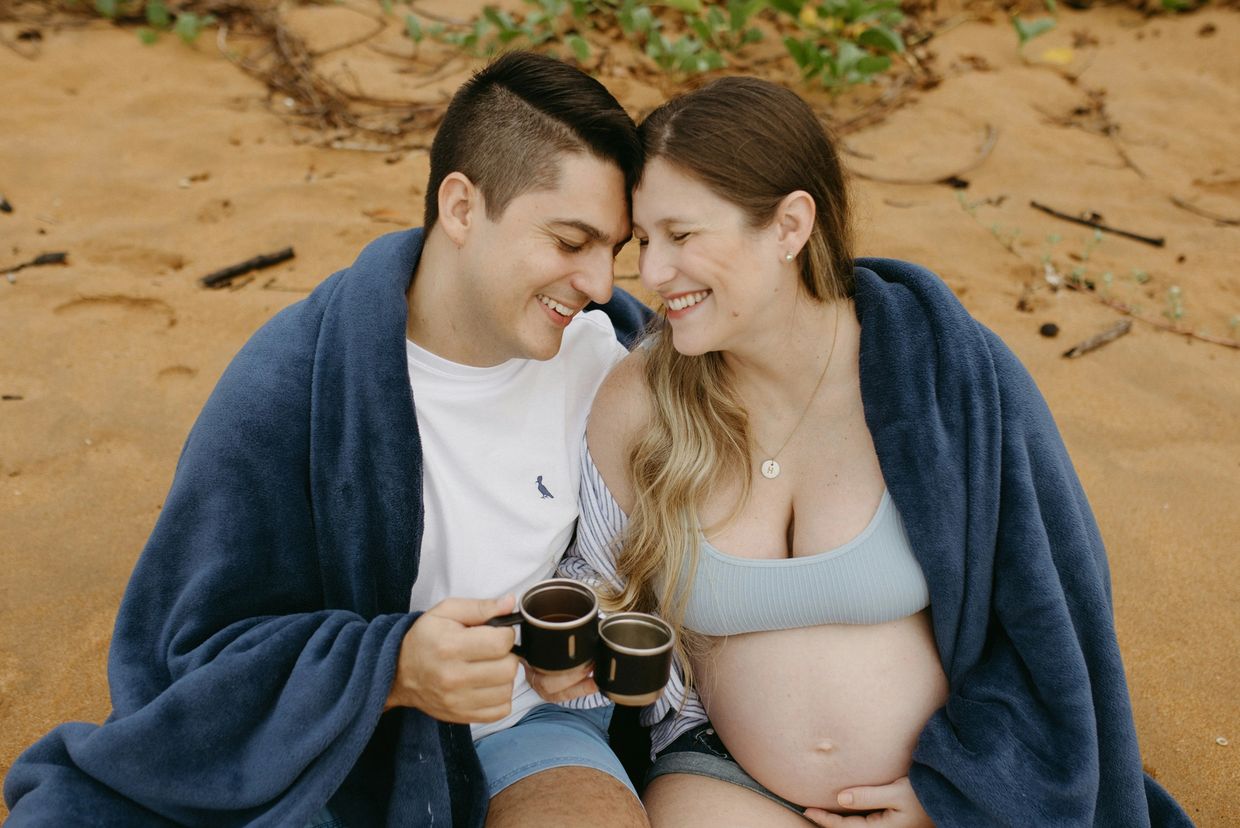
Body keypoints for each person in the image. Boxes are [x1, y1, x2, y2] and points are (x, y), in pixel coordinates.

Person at [3, 52, 653, 827]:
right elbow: (188, 655)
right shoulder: (290, 386)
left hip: (532, 724)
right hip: (351, 749)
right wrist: (392, 669)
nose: (601, 285)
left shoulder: (607, 358)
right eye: (570, 242)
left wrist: (589, 647)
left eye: (613, 251)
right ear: (461, 207)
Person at [560, 77, 1192, 826]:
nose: (653, 274)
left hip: (941, 785)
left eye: (684, 235)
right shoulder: (641, 399)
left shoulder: (942, 378)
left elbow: (1049, 617)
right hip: (726, 776)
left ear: (791, 226)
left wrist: (954, 792)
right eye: (645, 240)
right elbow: (592, 584)